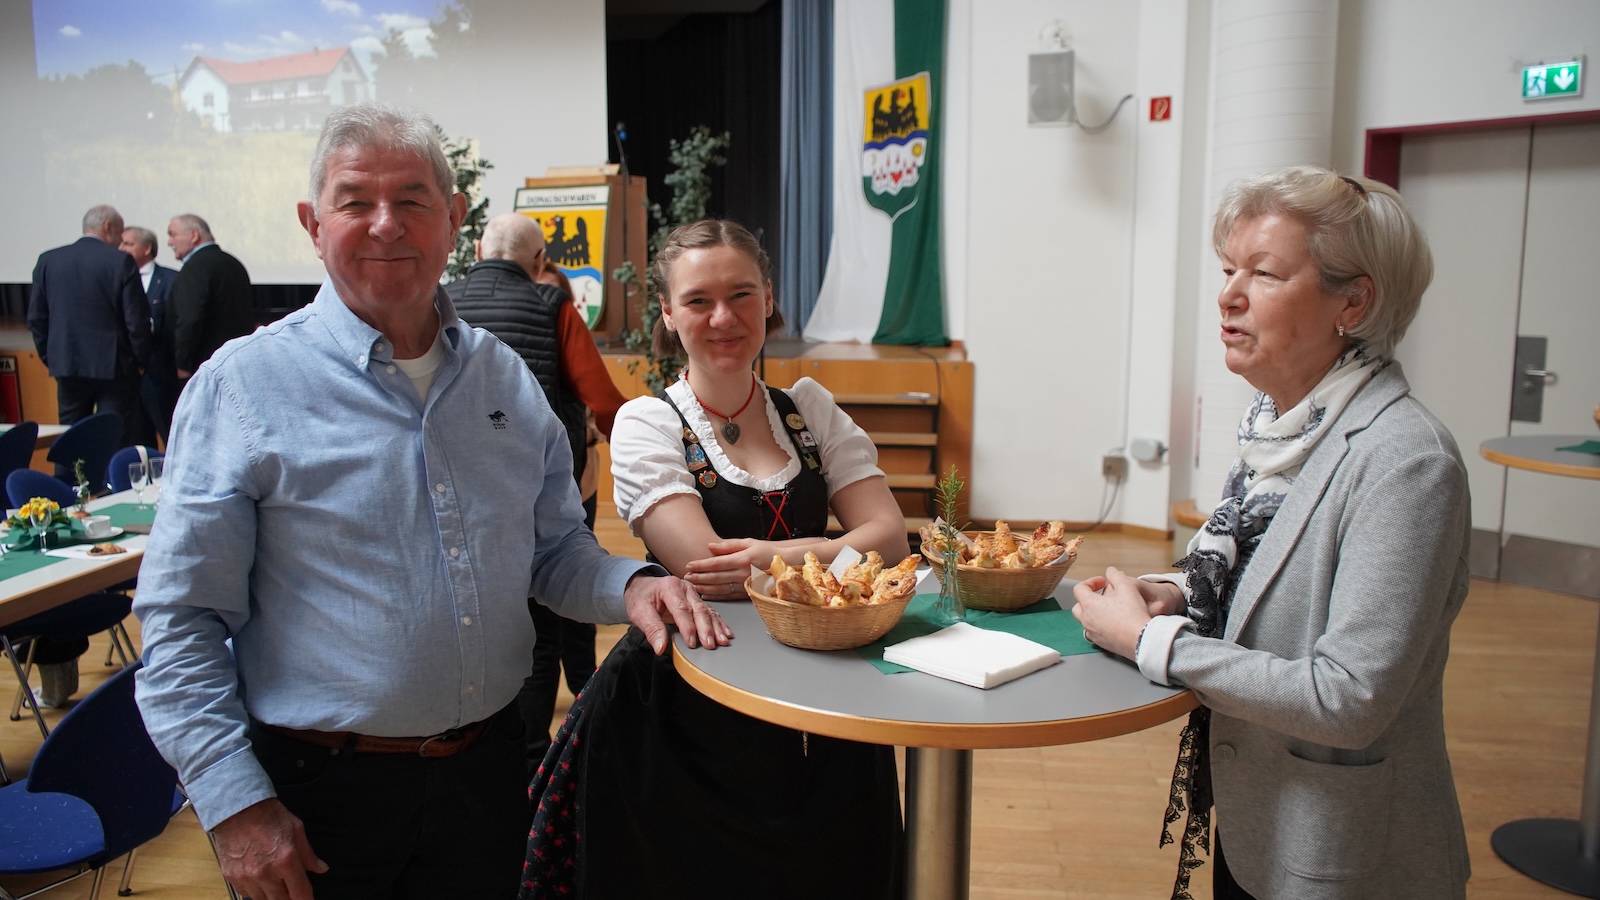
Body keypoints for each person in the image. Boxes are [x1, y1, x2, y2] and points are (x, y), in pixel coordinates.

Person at [133, 102, 731, 900]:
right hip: (318, 799)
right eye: (355, 201)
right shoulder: (242, 387)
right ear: (313, 224)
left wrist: (633, 584)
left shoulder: (500, 375)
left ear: (453, 220)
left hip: (487, 777)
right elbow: (181, 620)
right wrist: (233, 803)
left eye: (411, 199)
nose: (386, 224)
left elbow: (553, 550)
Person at [1071, 166, 1470, 899]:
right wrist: (1175, 593)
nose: (1229, 294)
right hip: (1261, 820)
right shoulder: (1279, 429)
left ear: (1353, 301)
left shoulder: (1407, 461)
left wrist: (1153, 642)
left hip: (1342, 850)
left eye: (1264, 273)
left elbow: (1348, 698)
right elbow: (1260, 574)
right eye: (1228, 269)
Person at [522, 220, 907, 899]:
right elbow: (711, 572)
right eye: (698, 300)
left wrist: (778, 552)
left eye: (741, 294)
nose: (723, 318)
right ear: (668, 314)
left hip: (827, 693)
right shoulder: (648, 423)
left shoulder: (809, 410)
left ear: (768, 299)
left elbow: (893, 540)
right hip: (687, 706)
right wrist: (839, 553)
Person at [444, 212, 628, 772]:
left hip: (451, 489)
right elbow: (601, 398)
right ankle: (531, 760)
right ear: (541, 260)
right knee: (543, 624)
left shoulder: (439, 303)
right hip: (539, 486)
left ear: (477, 250)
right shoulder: (553, 306)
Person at [27, 203, 152, 450]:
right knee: (114, 439)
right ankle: (109, 477)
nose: (120, 241)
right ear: (107, 227)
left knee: (71, 440)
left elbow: (37, 319)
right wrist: (140, 361)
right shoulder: (120, 262)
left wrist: (52, 357)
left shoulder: (48, 260)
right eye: (120, 233)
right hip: (116, 368)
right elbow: (136, 320)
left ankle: (71, 476)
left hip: (68, 364)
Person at [165, 213, 256, 383]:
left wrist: (183, 363)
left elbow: (189, 319)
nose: (169, 242)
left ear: (194, 235)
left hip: (204, 367)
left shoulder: (195, 267)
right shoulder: (233, 263)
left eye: (173, 234)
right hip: (237, 362)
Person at [119, 225, 179, 446]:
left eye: (128, 244)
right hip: (128, 376)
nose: (121, 248)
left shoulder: (172, 279)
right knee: (137, 442)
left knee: (171, 436)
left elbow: (177, 323)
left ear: (147, 248)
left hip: (161, 374)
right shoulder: (116, 277)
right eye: (120, 243)